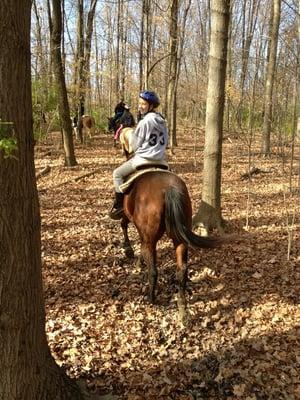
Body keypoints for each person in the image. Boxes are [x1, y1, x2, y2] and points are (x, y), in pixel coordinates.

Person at [109, 90, 168, 220]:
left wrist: (132, 136)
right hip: (162, 161)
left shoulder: (144, 122)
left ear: (151, 106)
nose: (140, 106)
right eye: (139, 103)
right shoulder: (163, 122)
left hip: (143, 160)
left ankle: (119, 207)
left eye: (143, 104)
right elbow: (166, 143)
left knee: (117, 174)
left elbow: (134, 146)